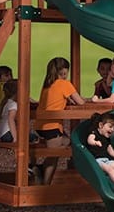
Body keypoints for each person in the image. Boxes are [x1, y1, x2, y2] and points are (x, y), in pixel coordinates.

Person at [33, 57, 85, 185]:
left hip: (40, 125)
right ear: (64, 71)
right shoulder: (64, 84)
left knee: (67, 141)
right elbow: (80, 101)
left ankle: (39, 169)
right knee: (54, 156)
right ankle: (45, 187)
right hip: (52, 126)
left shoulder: (47, 84)